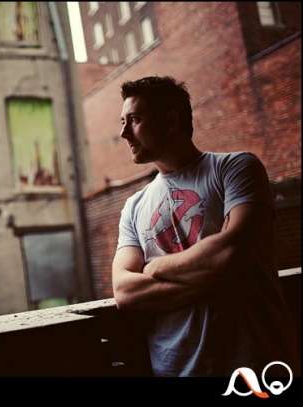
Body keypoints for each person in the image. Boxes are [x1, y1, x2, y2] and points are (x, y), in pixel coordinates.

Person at [111, 75, 300, 377]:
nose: (123, 133)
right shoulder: (134, 206)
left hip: (256, 365)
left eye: (134, 119)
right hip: (175, 370)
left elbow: (231, 252)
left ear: (171, 120)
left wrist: (154, 268)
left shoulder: (236, 168)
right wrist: (216, 271)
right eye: (123, 122)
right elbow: (124, 292)